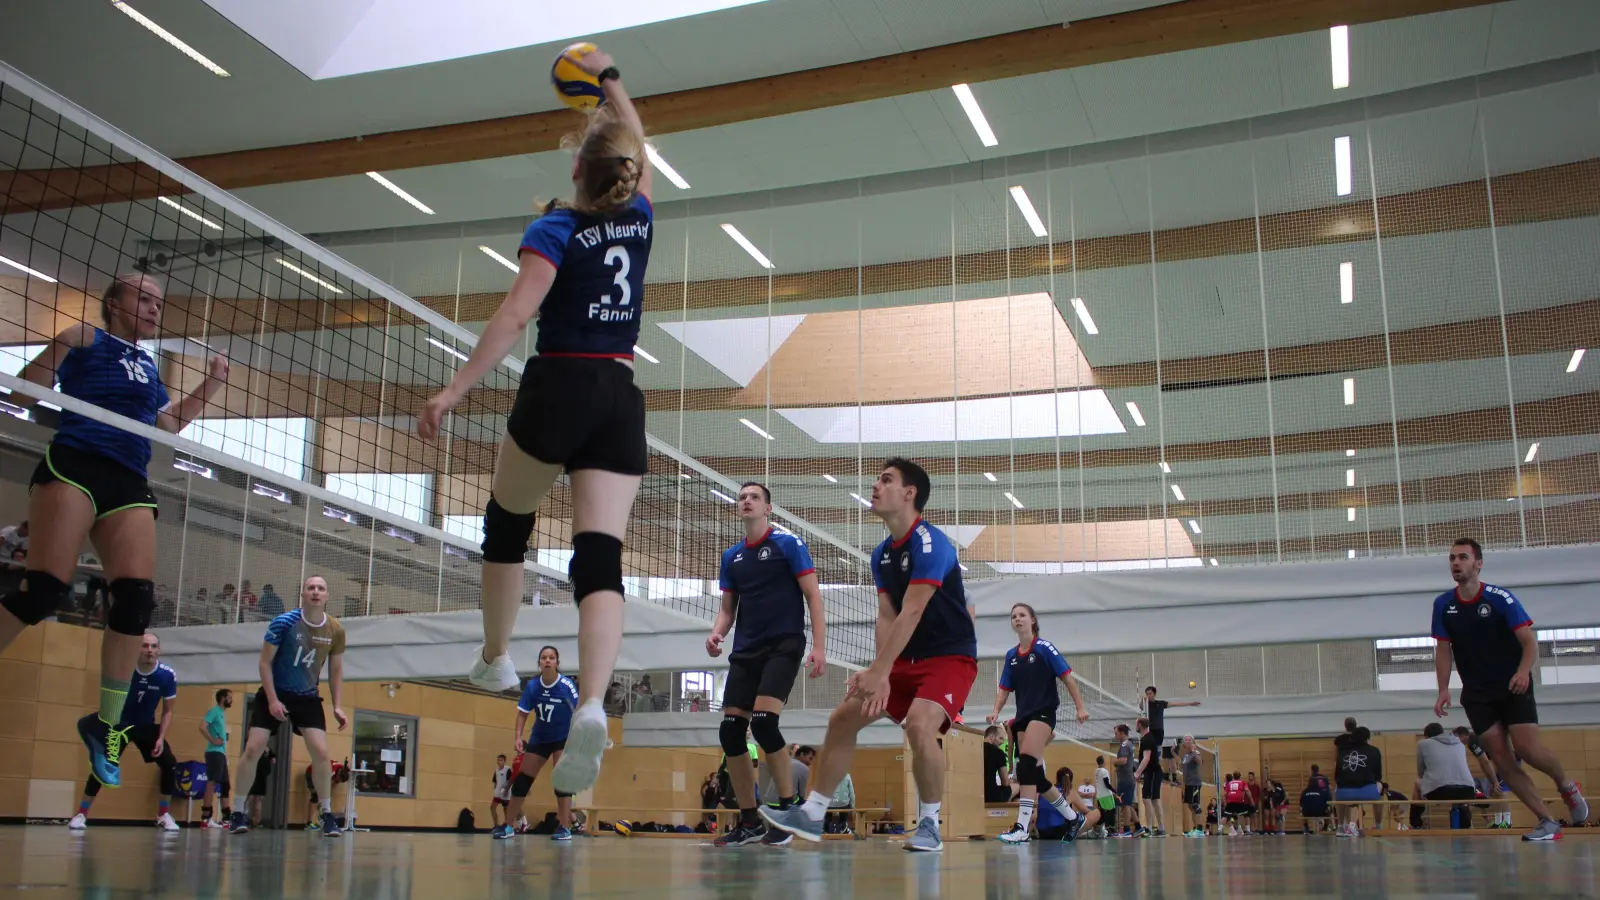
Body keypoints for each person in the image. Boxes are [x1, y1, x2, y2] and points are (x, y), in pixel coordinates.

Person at [416, 43, 653, 801]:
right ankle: (591, 702)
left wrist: (454, 389)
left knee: (507, 525)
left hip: (558, 386)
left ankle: (494, 654)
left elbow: (516, 316)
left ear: (577, 173)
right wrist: (610, 82)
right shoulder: (640, 214)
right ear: (627, 174)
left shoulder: (555, 230)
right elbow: (635, 144)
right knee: (599, 559)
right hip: (620, 394)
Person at [0, 273, 227, 787]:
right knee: (45, 592)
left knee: (136, 601)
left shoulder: (148, 366)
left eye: (158, 302)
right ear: (114, 303)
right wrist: (60, 343)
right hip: (77, 463)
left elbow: (167, 426)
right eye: (143, 299)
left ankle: (104, 725)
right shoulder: (86, 338)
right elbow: (29, 388)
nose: (153, 309)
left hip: (129, 477)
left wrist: (211, 384)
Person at [761, 458, 977, 853]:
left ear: (909, 493)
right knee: (842, 718)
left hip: (949, 658)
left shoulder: (931, 543)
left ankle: (929, 825)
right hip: (903, 658)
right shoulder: (881, 555)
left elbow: (913, 610)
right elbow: (887, 615)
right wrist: (883, 671)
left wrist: (881, 670)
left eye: (886, 480)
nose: (875, 486)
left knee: (918, 725)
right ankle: (812, 812)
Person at [1432, 537, 1587, 842]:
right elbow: (1442, 650)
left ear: (1478, 563)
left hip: (1512, 685)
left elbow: (1529, 642)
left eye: (1462, 557)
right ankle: (1547, 821)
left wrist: (1522, 672)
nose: (1455, 563)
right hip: (1477, 694)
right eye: (1452, 558)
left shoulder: (1499, 598)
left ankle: (1565, 784)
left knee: (1528, 750)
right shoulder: (1443, 605)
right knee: (1502, 761)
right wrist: (1442, 689)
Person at [706, 482, 827, 847]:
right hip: (745, 650)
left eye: (754, 497)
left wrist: (820, 647)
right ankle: (749, 820)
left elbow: (814, 597)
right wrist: (716, 634)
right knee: (730, 732)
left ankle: (789, 810)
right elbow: (728, 610)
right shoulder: (732, 557)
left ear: (768, 508)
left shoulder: (788, 544)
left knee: (763, 723)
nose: (746, 501)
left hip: (783, 644)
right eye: (742, 497)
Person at [228, 575, 348, 837]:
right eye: (310, 588)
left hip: (307, 696)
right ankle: (237, 811)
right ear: (303, 594)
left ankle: (326, 812)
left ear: (327, 596)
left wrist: (338, 705)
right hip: (276, 691)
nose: (315, 592)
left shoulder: (335, 630)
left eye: (321, 589)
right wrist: (272, 700)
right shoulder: (284, 622)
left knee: (321, 753)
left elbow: (336, 669)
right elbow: (264, 663)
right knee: (253, 748)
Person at [988, 602, 1089, 844]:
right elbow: (1004, 688)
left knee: (1025, 765)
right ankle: (1072, 817)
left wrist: (1080, 707)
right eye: (1013, 616)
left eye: (1022, 615)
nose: (1017, 619)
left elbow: (1067, 678)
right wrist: (995, 711)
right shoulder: (1011, 656)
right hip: (1023, 715)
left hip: (1044, 713)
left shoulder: (1045, 648)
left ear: (1032, 620)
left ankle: (1022, 827)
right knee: (1034, 775)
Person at [67, 632, 181, 831]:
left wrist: (161, 738)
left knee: (169, 764)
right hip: (119, 725)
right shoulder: (124, 670)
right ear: (137, 648)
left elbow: (168, 710)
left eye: (154, 646)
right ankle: (80, 814)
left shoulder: (167, 675)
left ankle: (163, 814)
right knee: (102, 767)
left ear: (159, 650)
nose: (149, 650)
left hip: (146, 726)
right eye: (145, 646)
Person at [495, 646, 580, 841]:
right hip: (540, 738)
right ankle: (508, 826)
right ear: (539, 663)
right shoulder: (533, 687)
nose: (548, 660)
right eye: (544, 658)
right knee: (522, 781)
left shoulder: (567, 686)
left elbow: (580, 711)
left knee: (562, 781)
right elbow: (523, 714)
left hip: (563, 738)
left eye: (551, 658)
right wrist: (518, 737)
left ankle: (565, 827)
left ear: (557, 662)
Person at [1417, 721, 1480, 829]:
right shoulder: (1459, 744)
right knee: (1460, 798)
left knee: (1417, 783)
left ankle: (1416, 823)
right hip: (1468, 790)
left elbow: (1420, 773)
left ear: (1426, 736)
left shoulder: (1423, 744)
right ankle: (1465, 819)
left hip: (1439, 791)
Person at [1453, 725, 1510, 828]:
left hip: (1505, 760)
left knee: (1501, 790)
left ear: (1462, 736)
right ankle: (1498, 822)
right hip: (1497, 762)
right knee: (1494, 791)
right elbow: (1483, 762)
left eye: (1456, 737)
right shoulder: (1473, 742)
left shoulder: (1473, 742)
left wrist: (1495, 780)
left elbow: (1485, 761)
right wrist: (1492, 780)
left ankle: (1507, 821)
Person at [1334, 726, 1381, 837]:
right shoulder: (1374, 750)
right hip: (1366, 791)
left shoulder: (1343, 751)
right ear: (1367, 738)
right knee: (1381, 786)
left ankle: (1340, 826)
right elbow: (1378, 775)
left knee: (1339, 788)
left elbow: (1337, 774)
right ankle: (1378, 824)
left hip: (1343, 793)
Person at [199, 688, 233, 827]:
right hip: (214, 752)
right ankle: (206, 817)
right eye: (229, 697)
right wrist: (213, 740)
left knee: (225, 785)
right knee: (212, 782)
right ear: (222, 698)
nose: (231, 700)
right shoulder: (214, 711)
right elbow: (202, 726)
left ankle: (226, 819)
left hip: (221, 753)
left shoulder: (221, 714)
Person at [1140, 686, 1199, 759]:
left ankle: (1157, 764)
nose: (1148, 695)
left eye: (1150, 693)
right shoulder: (1146, 704)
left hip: (1158, 731)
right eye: (1147, 694)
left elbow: (1175, 704)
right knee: (1149, 749)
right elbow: (1141, 707)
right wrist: (1143, 699)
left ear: (1154, 694)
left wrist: (1190, 703)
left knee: (1157, 749)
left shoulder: (1160, 703)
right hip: (1149, 730)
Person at [1132, 718, 1165, 837]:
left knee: (1147, 799)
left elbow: (1146, 759)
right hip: (1154, 772)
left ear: (1140, 725)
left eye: (1136, 724)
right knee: (1155, 799)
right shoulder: (1149, 737)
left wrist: (1137, 773)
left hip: (1152, 773)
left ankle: (1150, 829)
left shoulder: (1147, 739)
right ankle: (1161, 829)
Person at [1112, 724, 1141, 837]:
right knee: (1128, 804)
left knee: (1125, 805)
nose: (1115, 736)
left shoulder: (1124, 745)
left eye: (1116, 733)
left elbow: (1123, 760)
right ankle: (1138, 827)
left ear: (1122, 733)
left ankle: (1127, 830)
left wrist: (1115, 762)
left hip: (1125, 780)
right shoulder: (1130, 744)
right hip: (1128, 779)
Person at [304, 760, 350, 829]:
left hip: (321, 776)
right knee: (315, 797)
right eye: (338, 779)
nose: (338, 781)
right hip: (312, 773)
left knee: (322, 800)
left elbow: (333, 786)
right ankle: (309, 824)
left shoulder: (342, 771)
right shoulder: (331, 770)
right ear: (339, 773)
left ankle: (318, 821)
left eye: (340, 781)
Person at [1179, 736, 1205, 837]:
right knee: (1190, 805)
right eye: (1186, 740)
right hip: (1188, 783)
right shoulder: (1186, 755)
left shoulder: (1195, 752)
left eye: (1190, 740)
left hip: (1195, 782)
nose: (1188, 741)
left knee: (1195, 805)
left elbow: (1199, 762)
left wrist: (1194, 751)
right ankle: (1195, 828)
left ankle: (1200, 829)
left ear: (1193, 742)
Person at [982, 726, 1013, 803]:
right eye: (1001, 738)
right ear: (992, 737)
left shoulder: (974, 749)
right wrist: (1010, 782)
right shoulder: (998, 753)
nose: (1002, 742)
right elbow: (1005, 783)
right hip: (991, 796)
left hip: (975, 793)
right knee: (1016, 787)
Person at [1300, 764, 1333, 833]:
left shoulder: (1311, 779)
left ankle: (1306, 827)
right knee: (1329, 809)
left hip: (1308, 812)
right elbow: (1330, 788)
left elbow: (1301, 802)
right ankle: (1326, 826)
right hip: (1322, 806)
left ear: (1311, 770)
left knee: (1302, 810)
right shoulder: (1324, 777)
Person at [247, 749, 275, 828]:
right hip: (253, 773)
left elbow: (272, 757)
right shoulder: (253, 744)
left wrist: (272, 758)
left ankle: (256, 820)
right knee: (250, 796)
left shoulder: (267, 748)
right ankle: (242, 816)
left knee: (259, 798)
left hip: (263, 775)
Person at [1093, 755, 1115, 838]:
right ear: (1103, 762)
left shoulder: (1096, 771)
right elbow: (1107, 784)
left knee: (1103, 813)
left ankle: (1100, 830)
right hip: (1106, 795)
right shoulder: (1104, 771)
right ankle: (1111, 830)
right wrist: (1115, 791)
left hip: (1100, 796)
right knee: (1111, 812)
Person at [491, 754, 513, 829]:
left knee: (506, 809)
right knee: (492, 808)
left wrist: (506, 790)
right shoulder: (496, 771)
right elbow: (495, 782)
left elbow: (510, 781)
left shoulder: (508, 770)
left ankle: (507, 825)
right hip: (497, 793)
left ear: (504, 761)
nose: (499, 762)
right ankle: (496, 825)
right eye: (498, 760)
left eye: (500, 760)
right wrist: (495, 790)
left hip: (505, 793)